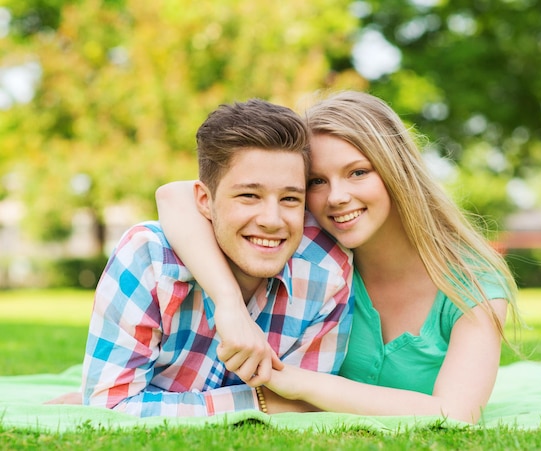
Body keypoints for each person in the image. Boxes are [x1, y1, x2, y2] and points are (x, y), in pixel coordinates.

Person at [156, 91, 521, 424]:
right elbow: (175, 196)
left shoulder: (473, 282)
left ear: (397, 171)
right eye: (317, 181)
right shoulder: (308, 241)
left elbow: (457, 414)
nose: (336, 197)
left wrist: (296, 382)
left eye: (358, 172)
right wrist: (229, 304)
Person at [72, 99, 353, 417]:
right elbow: (109, 410)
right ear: (204, 200)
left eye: (290, 198)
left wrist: (153, 401)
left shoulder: (325, 272)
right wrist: (258, 404)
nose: (272, 220)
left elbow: (306, 402)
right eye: (249, 195)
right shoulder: (149, 260)